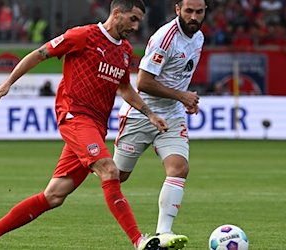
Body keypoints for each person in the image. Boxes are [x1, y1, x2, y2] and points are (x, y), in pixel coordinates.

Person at [0, 1, 170, 250]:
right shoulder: (83, 36)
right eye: (133, 19)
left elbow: (125, 88)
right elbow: (40, 53)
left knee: (53, 196)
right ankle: (139, 241)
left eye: (139, 21)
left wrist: (149, 113)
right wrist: (8, 82)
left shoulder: (125, 51)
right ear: (117, 13)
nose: (136, 26)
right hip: (74, 116)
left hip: (95, 127)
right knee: (109, 170)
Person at [113, 0, 206, 249]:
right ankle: (84, 159)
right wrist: (182, 96)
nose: (194, 17)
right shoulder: (165, 38)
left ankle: (163, 233)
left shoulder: (198, 38)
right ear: (177, 10)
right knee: (116, 177)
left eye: (199, 11)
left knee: (179, 168)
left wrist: (184, 100)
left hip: (172, 116)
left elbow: (179, 76)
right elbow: (142, 83)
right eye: (189, 11)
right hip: (140, 115)